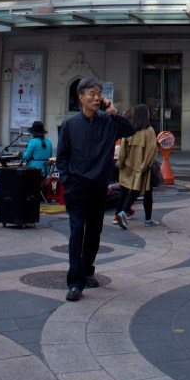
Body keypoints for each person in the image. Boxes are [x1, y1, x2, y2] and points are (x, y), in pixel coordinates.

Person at [56, 78, 134, 301]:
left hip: (98, 188)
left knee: (94, 233)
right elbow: (62, 157)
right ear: (81, 97)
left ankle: (88, 270)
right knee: (77, 232)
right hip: (76, 188)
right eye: (91, 93)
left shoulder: (108, 122)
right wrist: (66, 180)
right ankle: (75, 282)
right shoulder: (70, 125)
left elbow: (129, 130)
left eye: (99, 93)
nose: (96, 98)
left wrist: (114, 111)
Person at [114, 103, 159, 228]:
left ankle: (122, 214)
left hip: (128, 166)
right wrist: (145, 166)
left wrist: (120, 163)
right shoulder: (149, 131)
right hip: (142, 168)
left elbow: (122, 149)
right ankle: (125, 213)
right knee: (140, 191)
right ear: (145, 114)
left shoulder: (130, 128)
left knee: (128, 190)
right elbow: (151, 151)